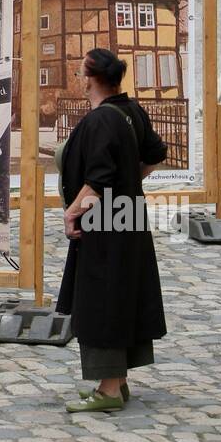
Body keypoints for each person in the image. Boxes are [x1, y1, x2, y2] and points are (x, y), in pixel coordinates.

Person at [56, 48, 168, 414]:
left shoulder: (102, 119)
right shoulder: (130, 110)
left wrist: (72, 213)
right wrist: (128, 181)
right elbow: (154, 154)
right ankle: (118, 384)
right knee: (124, 292)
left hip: (104, 224)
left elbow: (97, 181)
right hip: (129, 218)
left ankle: (106, 390)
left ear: (90, 77)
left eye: (81, 69)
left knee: (100, 299)